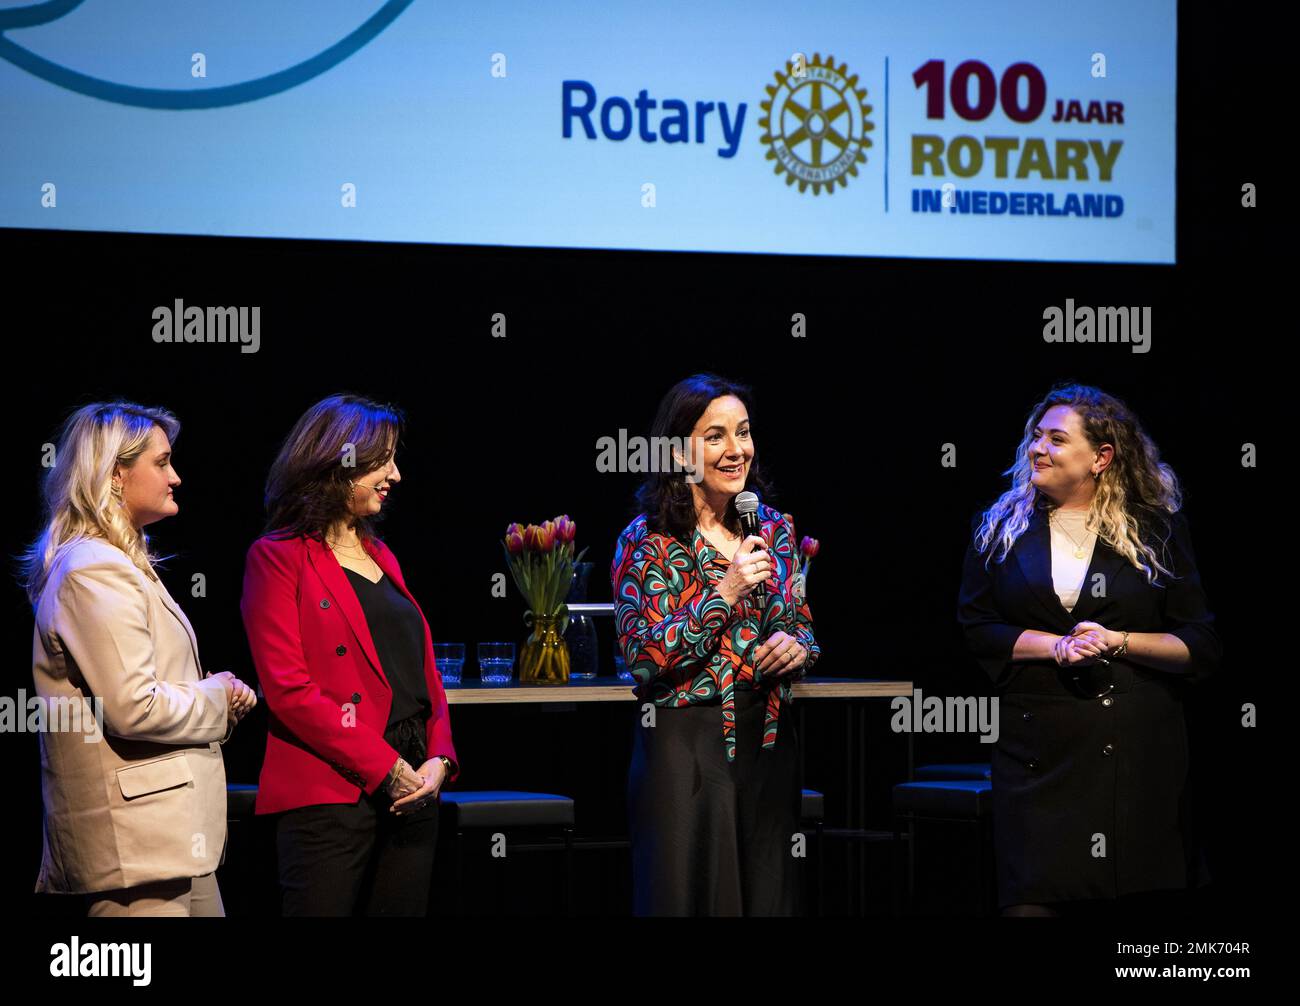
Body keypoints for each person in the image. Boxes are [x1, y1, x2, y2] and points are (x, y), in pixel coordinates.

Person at [957, 383, 1220, 916]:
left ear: (1101, 457)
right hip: (1037, 756)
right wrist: (1055, 646)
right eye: (1036, 436)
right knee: (1032, 901)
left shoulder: (1156, 531)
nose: (1038, 448)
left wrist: (1118, 642)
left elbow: (1199, 644)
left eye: (1056, 439)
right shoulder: (1001, 528)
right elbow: (978, 628)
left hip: (1136, 760)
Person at [24, 401, 256, 916]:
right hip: (134, 843)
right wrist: (216, 696)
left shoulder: (117, 563)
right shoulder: (93, 568)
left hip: (168, 839)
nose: (175, 477)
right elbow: (133, 706)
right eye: (162, 462)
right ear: (113, 474)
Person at [241, 393, 459, 916]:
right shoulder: (277, 557)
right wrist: (383, 766)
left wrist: (440, 759)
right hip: (331, 789)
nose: (396, 474)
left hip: (413, 787)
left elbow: (421, 675)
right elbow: (289, 691)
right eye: (382, 460)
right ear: (339, 463)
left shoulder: (381, 553)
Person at [612, 373, 820, 915]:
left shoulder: (773, 529)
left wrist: (798, 648)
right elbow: (643, 658)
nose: (737, 450)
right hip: (686, 752)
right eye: (716, 436)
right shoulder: (648, 539)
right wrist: (723, 592)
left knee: (768, 899)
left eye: (744, 433)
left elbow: (802, 624)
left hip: (768, 748)